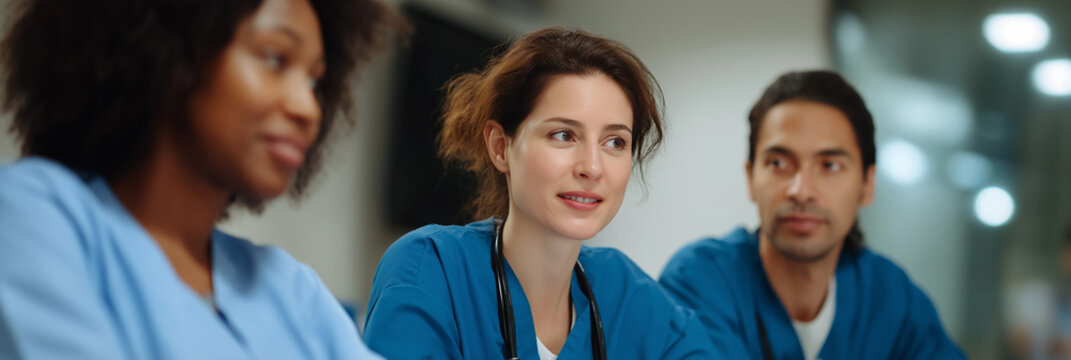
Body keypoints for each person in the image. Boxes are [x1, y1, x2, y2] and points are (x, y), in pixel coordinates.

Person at [0, 0, 397, 358]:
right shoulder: (33, 217)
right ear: (169, 53)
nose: (308, 108)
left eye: (314, 82)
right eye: (276, 59)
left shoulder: (290, 287)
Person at [362, 27, 716, 359]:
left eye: (615, 142)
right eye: (564, 135)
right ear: (501, 148)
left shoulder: (631, 299)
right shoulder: (431, 270)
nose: (592, 167)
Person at [659, 70, 965, 359]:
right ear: (750, 177)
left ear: (867, 184)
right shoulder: (700, 282)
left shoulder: (891, 299)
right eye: (779, 163)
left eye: (829, 166)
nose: (801, 190)